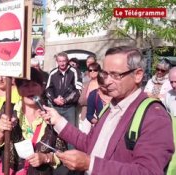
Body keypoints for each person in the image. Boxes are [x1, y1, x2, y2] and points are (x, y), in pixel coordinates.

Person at [40, 46, 174, 174]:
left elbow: (148, 172)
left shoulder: (155, 117)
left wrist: (90, 164)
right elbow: (89, 144)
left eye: (116, 75)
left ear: (138, 75)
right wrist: (57, 121)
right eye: (105, 74)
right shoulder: (111, 107)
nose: (107, 81)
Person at [0, 67, 67, 175]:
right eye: (25, 85)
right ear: (18, 89)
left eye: (34, 84)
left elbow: (63, 153)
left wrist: (46, 158)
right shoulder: (9, 111)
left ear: (41, 88)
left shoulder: (51, 115)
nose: (30, 89)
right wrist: (2, 131)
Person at [45, 52, 82, 129]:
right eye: (60, 61)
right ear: (57, 61)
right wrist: (54, 99)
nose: (62, 63)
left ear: (67, 61)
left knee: (71, 132)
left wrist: (65, 100)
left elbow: (78, 90)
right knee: (54, 131)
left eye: (64, 61)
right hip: (55, 108)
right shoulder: (53, 73)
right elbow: (48, 89)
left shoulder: (75, 71)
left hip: (70, 108)